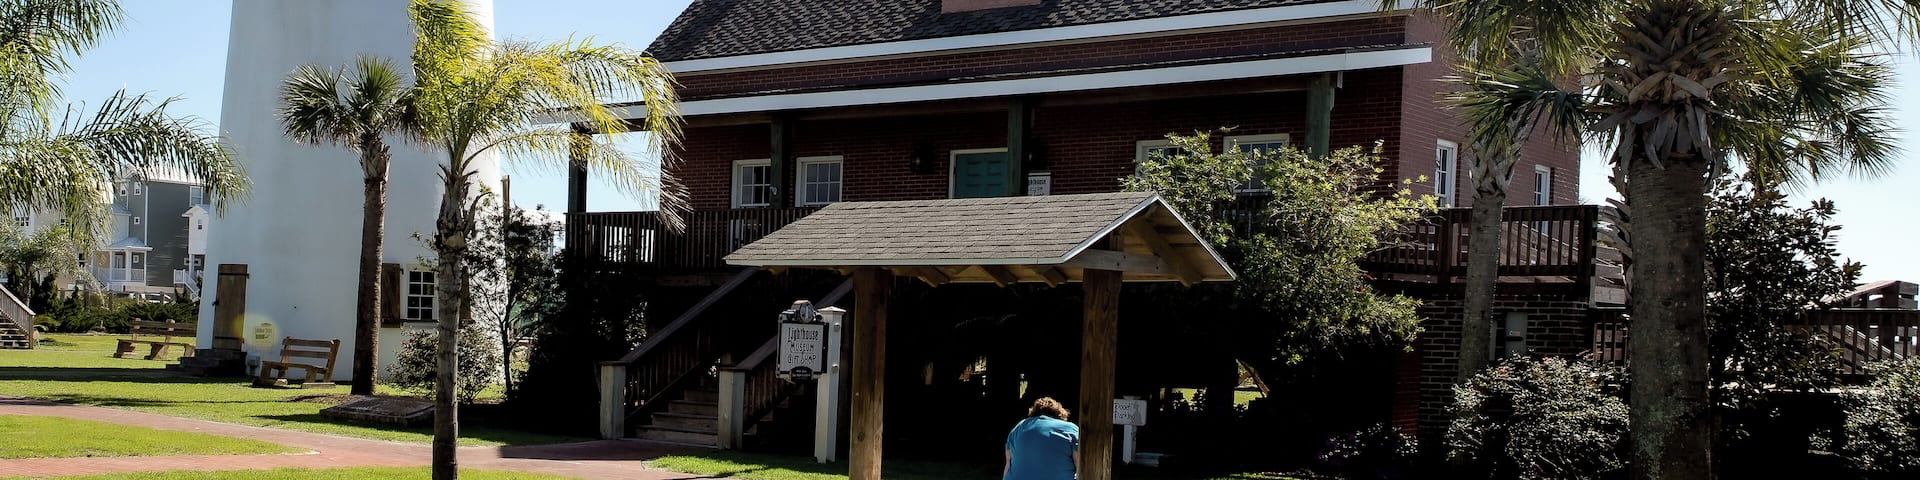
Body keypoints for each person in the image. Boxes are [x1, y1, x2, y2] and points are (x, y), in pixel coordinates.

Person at [1004, 397, 1080, 480]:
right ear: (1059, 415)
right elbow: (1081, 465)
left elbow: (1008, 464)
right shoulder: (1070, 428)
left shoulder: (1018, 428)